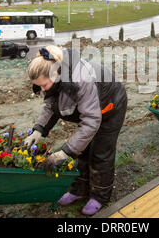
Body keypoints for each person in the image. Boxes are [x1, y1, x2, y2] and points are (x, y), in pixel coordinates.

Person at [24, 45, 127, 216]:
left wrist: (65, 152)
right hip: (91, 111)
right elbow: (51, 106)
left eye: (44, 85)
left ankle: (100, 196)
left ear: (55, 75)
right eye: (38, 86)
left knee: (100, 153)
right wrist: (38, 130)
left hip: (110, 107)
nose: (42, 89)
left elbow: (91, 120)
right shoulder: (54, 77)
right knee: (83, 151)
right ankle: (79, 190)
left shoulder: (81, 79)